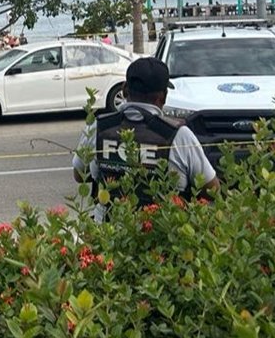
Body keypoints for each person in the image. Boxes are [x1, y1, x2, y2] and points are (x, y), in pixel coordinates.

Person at [73, 57, 219, 220]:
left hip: (108, 236)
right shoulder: (179, 135)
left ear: (124, 90)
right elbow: (212, 189)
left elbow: (79, 175)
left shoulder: (98, 127)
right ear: (163, 97)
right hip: (161, 234)